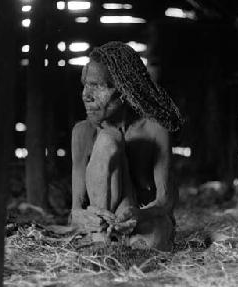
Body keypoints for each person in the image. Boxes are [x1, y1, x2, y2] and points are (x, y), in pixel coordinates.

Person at [70, 41, 184, 251]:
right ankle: (104, 241)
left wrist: (138, 214)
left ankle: (116, 244)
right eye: (85, 84)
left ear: (124, 92)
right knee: (107, 140)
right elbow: (74, 212)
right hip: (102, 230)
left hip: (143, 223)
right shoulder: (82, 132)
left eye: (97, 86)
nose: (86, 94)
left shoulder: (155, 130)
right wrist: (86, 218)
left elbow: (166, 200)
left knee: (151, 241)